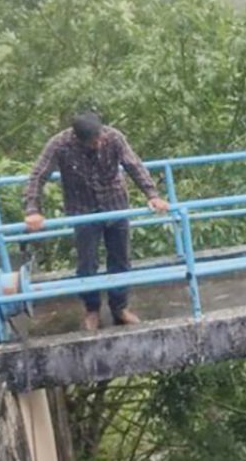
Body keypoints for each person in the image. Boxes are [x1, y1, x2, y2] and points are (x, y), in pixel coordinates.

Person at [24, 111, 170, 331]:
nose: (100, 142)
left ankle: (120, 307)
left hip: (115, 205)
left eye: (100, 136)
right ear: (80, 138)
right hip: (82, 209)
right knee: (87, 264)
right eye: (94, 140)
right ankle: (91, 309)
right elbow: (38, 175)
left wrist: (153, 195)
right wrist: (33, 209)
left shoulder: (113, 137)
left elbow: (134, 165)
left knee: (120, 259)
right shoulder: (60, 144)